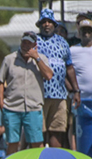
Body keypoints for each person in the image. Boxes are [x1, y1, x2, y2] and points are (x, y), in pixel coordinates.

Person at [0, 32, 53, 155]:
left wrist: (36, 58)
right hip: (12, 107)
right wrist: (1, 102)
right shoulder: (9, 59)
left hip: (33, 107)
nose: (25, 46)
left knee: (37, 142)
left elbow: (49, 75)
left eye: (29, 43)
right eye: (24, 42)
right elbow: (0, 81)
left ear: (34, 45)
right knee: (12, 142)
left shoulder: (41, 59)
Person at [36, 8, 80, 148]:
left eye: (50, 22)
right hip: (39, 94)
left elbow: (69, 67)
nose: (47, 24)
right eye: (44, 22)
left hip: (60, 95)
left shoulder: (63, 43)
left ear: (54, 25)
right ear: (40, 24)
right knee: (39, 132)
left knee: (57, 131)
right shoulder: (34, 41)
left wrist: (76, 90)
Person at [72, 19, 92, 157]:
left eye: (89, 30)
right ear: (79, 32)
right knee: (83, 141)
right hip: (83, 102)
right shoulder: (73, 50)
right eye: (84, 30)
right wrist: (74, 91)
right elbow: (66, 73)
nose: (86, 33)